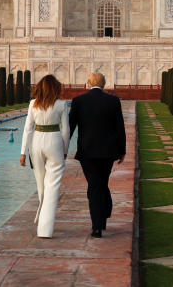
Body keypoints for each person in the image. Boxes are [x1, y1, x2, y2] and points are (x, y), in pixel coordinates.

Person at [69, 72, 126, 238]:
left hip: (87, 151)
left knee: (94, 185)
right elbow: (119, 127)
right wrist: (121, 150)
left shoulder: (78, 101)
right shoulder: (113, 101)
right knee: (101, 183)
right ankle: (104, 212)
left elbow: (70, 127)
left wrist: (63, 147)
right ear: (104, 84)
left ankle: (97, 226)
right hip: (108, 151)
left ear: (88, 83)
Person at [19, 74, 70, 238]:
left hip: (37, 143)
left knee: (41, 184)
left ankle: (41, 215)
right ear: (56, 88)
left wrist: (22, 153)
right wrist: (65, 150)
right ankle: (45, 229)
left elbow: (27, 129)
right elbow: (66, 131)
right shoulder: (61, 105)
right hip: (54, 142)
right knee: (52, 185)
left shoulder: (33, 104)